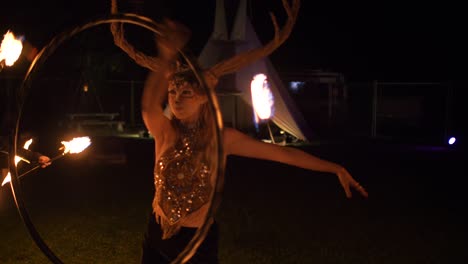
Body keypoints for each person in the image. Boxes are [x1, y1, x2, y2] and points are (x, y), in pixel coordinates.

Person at [110, 1, 368, 262]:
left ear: (203, 98)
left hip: (196, 242)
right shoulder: (164, 131)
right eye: (173, 91)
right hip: (157, 234)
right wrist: (166, 56)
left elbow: (282, 154)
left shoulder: (222, 139)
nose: (177, 99)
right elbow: (148, 106)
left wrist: (335, 168)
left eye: (187, 92)